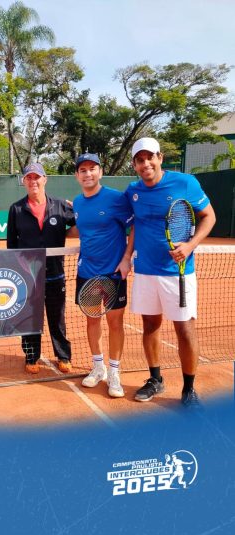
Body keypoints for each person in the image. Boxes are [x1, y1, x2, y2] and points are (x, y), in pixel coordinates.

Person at [126, 137, 216, 407]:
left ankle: (189, 389)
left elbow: (209, 216)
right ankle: (155, 379)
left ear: (160, 158)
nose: (146, 164)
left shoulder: (185, 183)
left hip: (178, 272)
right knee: (150, 326)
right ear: (134, 165)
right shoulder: (133, 191)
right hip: (145, 271)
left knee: (185, 329)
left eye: (150, 158)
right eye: (140, 160)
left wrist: (190, 245)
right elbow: (134, 225)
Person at [72, 153, 133, 397]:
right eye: (83, 170)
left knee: (115, 323)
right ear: (77, 175)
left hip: (113, 274)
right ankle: (98, 367)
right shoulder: (77, 202)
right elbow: (80, 229)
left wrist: (127, 257)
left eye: (92, 169)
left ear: (100, 172)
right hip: (86, 273)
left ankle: (114, 372)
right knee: (92, 321)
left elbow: (134, 225)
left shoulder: (116, 199)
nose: (88, 173)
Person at [6, 162, 76, 374]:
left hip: (55, 274)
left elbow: (81, 223)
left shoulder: (60, 205)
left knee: (57, 318)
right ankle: (31, 357)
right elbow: (12, 244)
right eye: (29, 178)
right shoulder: (16, 209)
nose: (33, 181)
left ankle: (63, 356)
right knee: (30, 319)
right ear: (24, 181)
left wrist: (78, 211)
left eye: (37, 177)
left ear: (45, 179)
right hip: (28, 276)